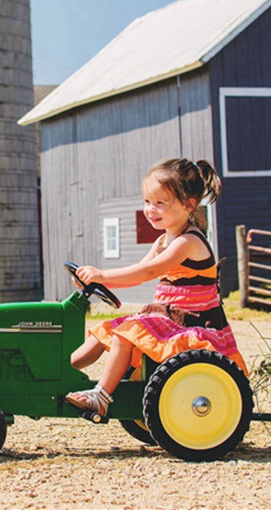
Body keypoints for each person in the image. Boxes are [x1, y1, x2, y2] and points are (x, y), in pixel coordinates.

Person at [65, 158, 246, 417]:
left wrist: (101, 274)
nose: (151, 209)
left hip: (193, 323)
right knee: (102, 332)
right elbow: (138, 276)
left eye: (160, 203)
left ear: (189, 205)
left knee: (126, 333)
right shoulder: (164, 240)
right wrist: (95, 281)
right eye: (148, 202)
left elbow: (148, 272)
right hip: (168, 317)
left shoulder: (188, 241)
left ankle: (101, 397)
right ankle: (56, 374)